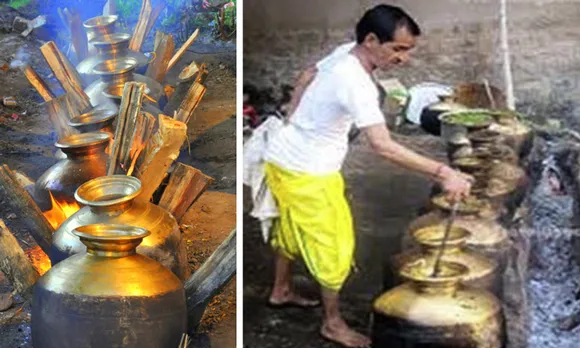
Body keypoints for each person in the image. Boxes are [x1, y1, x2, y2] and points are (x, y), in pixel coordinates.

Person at [263, 5, 473, 347]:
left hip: (284, 156)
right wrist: (443, 170)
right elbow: (383, 146)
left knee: (288, 225)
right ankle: (332, 324)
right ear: (372, 40)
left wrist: (293, 118)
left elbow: (306, 74)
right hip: (308, 171)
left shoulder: (344, 53)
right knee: (334, 248)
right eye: (398, 49)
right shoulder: (355, 81)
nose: (404, 58)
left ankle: (281, 290)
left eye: (409, 50)